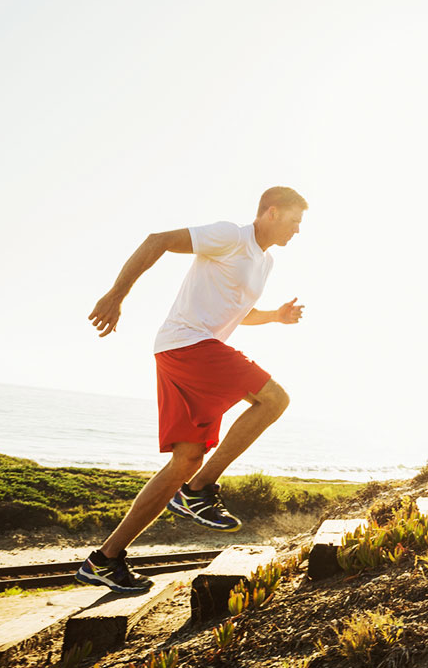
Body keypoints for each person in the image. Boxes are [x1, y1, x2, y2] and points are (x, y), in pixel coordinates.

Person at [76, 186, 307, 593]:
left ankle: (105, 559)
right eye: (293, 221)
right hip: (189, 344)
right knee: (274, 399)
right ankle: (199, 492)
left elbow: (239, 311)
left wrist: (274, 317)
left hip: (185, 351)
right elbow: (157, 241)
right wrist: (117, 295)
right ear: (270, 212)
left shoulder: (264, 262)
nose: (297, 230)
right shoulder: (230, 235)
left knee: (185, 460)